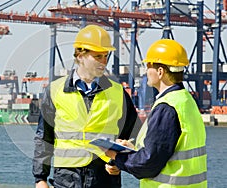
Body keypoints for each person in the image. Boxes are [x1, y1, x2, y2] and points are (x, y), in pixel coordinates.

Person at [32, 24, 140, 188]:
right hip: (66, 180)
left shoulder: (118, 93)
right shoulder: (55, 91)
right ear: (80, 55)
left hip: (104, 179)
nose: (104, 61)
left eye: (106, 56)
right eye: (98, 56)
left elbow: (133, 136)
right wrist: (40, 179)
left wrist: (119, 162)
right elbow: (44, 137)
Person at [103, 39, 207, 187]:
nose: (146, 71)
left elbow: (148, 165)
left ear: (160, 72)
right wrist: (133, 150)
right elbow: (167, 150)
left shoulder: (166, 107)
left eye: (148, 66)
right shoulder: (186, 100)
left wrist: (116, 156)